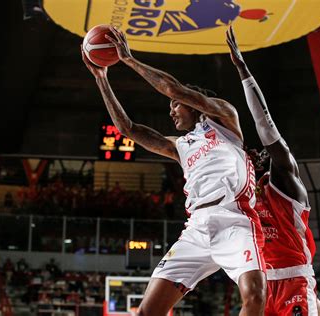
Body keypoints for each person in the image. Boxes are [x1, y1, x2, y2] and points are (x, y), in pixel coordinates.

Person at [81, 26, 266, 316]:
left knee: (254, 297)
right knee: (147, 311)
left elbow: (173, 88)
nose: (171, 111)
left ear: (194, 105)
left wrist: (128, 60)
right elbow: (128, 129)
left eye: (176, 106)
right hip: (197, 227)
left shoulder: (224, 118)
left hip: (234, 219)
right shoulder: (180, 146)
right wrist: (101, 79)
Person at [226, 26, 320, 316]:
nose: (252, 155)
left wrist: (243, 71)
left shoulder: (284, 182)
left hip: (293, 280)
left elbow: (266, 128)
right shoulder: (241, 196)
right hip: (259, 285)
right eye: (247, 154)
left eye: (258, 152)